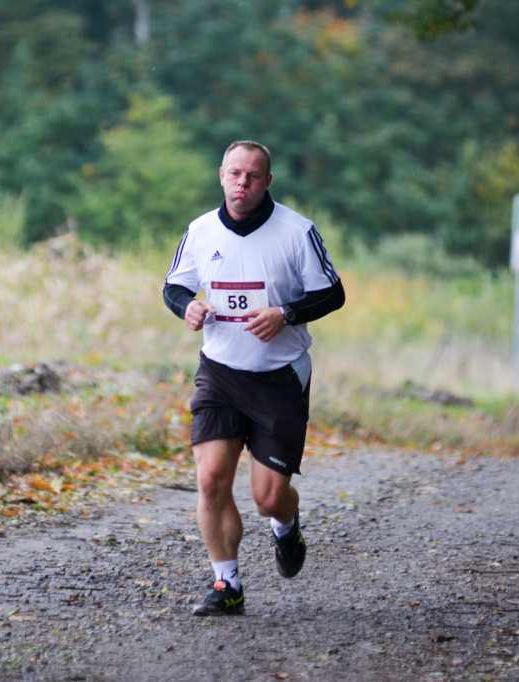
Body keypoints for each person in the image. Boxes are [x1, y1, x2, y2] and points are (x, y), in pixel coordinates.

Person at [162, 140, 345, 616]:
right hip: (220, 374)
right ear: (221, 175)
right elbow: (174, 285)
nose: (242, 183)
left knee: (267, 498)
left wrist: (286, 314)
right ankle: (227, 584)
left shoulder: (297, 231)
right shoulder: (201, 230)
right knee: (210, 480)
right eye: (234, 173)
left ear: (267, 181)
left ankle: (286, 524)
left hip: (278, 378)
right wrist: (187, 307)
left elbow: (333, 294)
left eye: (252, 176)